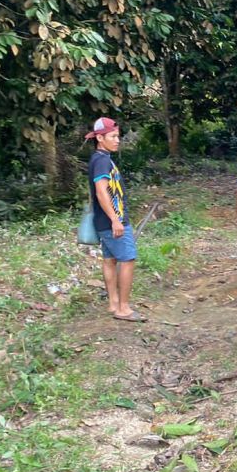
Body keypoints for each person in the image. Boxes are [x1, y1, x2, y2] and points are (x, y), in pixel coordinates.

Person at [86, 117, 144, 322]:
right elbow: (102, 192)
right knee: (127, 260)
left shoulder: (99, 158)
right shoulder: (101, 160)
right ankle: (124, 308)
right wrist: (115, 220)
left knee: (110, 260)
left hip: (104, 222)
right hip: (113, 222)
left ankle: (113, 303)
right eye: (113, 136)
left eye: (117, 136)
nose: (117, 140)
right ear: (100, 138)